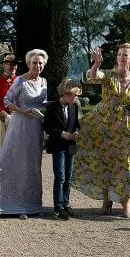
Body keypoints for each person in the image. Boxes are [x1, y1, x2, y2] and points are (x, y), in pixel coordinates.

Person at [73, 44, 130, 218]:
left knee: (125, 164)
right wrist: (96, 62)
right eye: (119, 54)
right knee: (104, 162)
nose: (121, 57)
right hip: (103, 125)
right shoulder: (108, 75)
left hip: (126, 126)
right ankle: (106, 200)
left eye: (125, 55)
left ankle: (126, 202)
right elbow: (93, 76)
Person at [0, 49, 48, 219]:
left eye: (40, 63)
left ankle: (30, 203)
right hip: (21, 125)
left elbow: (43, 102)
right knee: (16, 162)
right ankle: (11, 203)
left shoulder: (44, 82)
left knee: (33, 165)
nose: (37, 65)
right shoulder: (20, 81)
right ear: (28, 64)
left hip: (36, 128)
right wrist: (23, 111)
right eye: (34, 62)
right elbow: (7, 101)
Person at [44, 79, 82, 221]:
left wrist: (76, 132)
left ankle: (65, 203)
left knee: (69, 176)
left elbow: (77, 124)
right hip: (58, 146)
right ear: (67, 93)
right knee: (60, 177)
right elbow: (47, 127)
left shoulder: (74, 107)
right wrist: (62, 133)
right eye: (75, 95)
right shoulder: (52, 107)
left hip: (70, 146)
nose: (77, 98)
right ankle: (58, 208)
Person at [0, 54, 19, 156]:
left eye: (14, 64)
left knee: (19, 152)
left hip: (20, 119)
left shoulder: (22, 82)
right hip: (3, 120)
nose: (12, 66)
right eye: (9, 64)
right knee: (4, 153)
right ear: (3, 65)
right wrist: (5, 116)